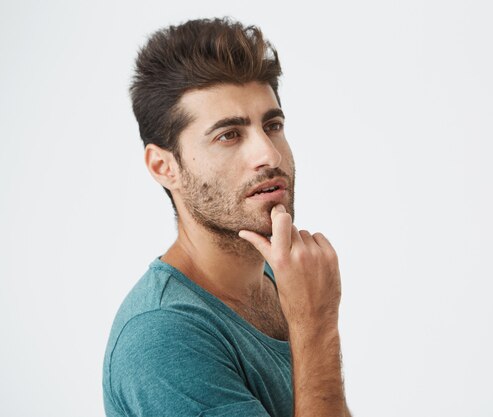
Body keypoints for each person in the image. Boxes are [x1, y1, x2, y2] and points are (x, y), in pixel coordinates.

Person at [102, 17, 350, 417]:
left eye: (273, 125)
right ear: (165, 166)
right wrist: (316, 327)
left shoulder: (281, 278)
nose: (268, 154)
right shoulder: (164, 337)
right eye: (229, 135)